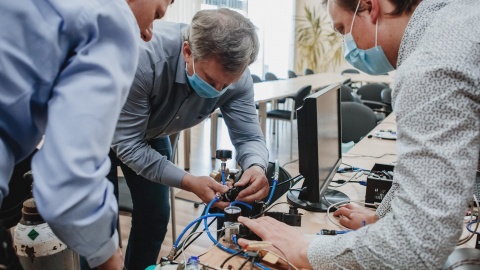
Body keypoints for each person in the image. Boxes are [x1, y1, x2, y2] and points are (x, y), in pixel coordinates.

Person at [238, 0, 480, 269]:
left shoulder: (432, 64)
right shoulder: (456, 19)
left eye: (343, 29)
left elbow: (417, 246)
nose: (346, 45)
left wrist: (305, 250)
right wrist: (384, 216)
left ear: (369, 7)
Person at [0, 0, 173, 269]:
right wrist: (108, 257)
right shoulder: (110, 19)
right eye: (156, 14)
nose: (149, 32)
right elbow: (66, 176)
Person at [108, 8, 270, 270]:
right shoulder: (144, 60)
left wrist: (256, 165)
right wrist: (187, 181)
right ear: (187, 51)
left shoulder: (236, 77)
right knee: (100, 226)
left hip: (151, 131)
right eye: (211, 80)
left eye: (226, 85)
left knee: (156, 213)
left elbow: (249, 135)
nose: (217, 91)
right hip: (97, 131)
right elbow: (128, 145)